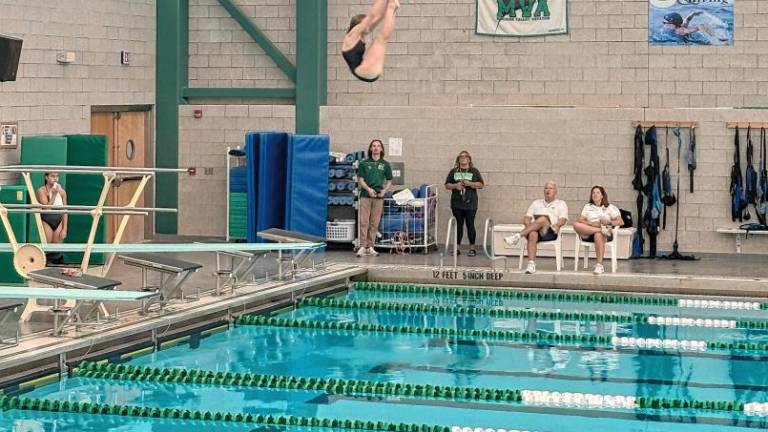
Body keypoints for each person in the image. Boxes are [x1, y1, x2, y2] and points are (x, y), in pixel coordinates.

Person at [503, 181, 568, 274]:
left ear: (556, 191)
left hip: (550, 231)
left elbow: (563, 219)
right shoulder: (536, 203)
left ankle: (517, 236)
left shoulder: (561, 204)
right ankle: (531, 264)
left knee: (542, 219)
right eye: (546, 188)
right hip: (536, 231)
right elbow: (527, 218)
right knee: (532, 234)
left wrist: (557, 225)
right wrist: (529, 226)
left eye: (551, 188)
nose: (548, 190)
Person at [342, 0, 400, 82]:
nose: (368, 27)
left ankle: (392, 8)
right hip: (363, 70)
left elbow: (379, 17)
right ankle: (392, 7)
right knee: (380, 39)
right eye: (365, 24)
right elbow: (371, 16)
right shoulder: (351, 36)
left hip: (366, 69)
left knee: (380, 39)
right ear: (358, 26)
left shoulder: (359, 34)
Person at [572, 185, 624, 275]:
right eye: (593, 193)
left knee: (598, 235)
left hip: (604, 234)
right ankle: (600, 230)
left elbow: (620, 222)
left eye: (597, 193)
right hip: (590, 231)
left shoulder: (610, 207)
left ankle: (599, 266)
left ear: (602, 195)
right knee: (575, 224)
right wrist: (594, 224)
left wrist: (610, 222)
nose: (595, 195)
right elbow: (580, 219)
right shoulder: (588, 206)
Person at [444, 150, 484, 256]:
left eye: (465, 156)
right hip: (457, 203)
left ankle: (472, 248)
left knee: (470, 224)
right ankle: (457, 248)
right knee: (458, 225)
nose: (463, 158)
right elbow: (447, 185)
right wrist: (455, 186)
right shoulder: (454, 171)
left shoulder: (474, 171)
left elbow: (481, 184)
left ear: (469, 159)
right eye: (461, 156)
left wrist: (470, 183)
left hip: (470, 203)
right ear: (458, 159)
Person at [357, 139, 392, 257]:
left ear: (381, 149)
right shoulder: (364, 164)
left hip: (378, 197)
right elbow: (360, 180)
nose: (376, 148)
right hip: (366, 196)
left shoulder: (386, 165)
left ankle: (370, 246)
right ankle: (362, 246)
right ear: (371, 148)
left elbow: (389, 180)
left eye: (378, 146)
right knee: (364, 222)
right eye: (374, 146)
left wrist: (384, 191)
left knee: (374, 223)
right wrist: (368, 189)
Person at [36, 172, 68, 263]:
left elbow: (66, 210)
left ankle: (58, 267)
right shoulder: (41, 191)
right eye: (53, 176)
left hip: (59, 220)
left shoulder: (62, 192)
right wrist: (53, 195)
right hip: (47, 220)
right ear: (46, 177)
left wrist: (65, 228)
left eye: (57, 176)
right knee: (48, 247)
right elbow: (47, 208)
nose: (55, 178)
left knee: (56, 248)